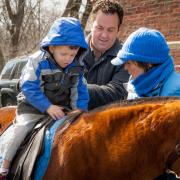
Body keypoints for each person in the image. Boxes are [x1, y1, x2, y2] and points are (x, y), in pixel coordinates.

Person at [0, 17, 89, 178]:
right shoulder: (37, 61)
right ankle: (4, 164)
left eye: (72, 54)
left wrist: (79, 110)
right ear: (52, 47)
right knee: (21, 129)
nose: (68, 58)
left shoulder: (77, 66)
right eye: (64, 53)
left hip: (62, 109)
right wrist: (47, 107)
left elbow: (80, 90)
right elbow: (28, 86)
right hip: (33, 107)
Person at [83, 0, 129, 110]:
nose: (104, 35)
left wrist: (74, 89)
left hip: (107, 122)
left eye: (110, 30)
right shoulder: (73, 50)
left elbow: (118, 93)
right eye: (99, 28)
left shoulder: (126, 57)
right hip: (69, 119)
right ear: (91, 25)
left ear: (118, 30)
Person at [111, 27, 180, 99]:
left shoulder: (176, 93)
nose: (125, 67)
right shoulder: (137, 84)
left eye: (128, 63)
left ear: (149, 64)